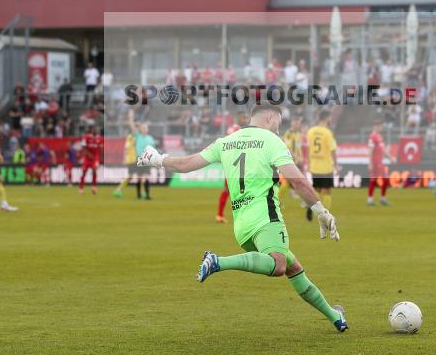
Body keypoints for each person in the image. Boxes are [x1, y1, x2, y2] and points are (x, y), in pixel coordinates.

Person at [135, 103, 347, 332]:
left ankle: (335, 316)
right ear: (268, 118)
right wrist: (321, 211)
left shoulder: (226, 141)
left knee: (293, 268)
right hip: (265, 217)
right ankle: (218, 261)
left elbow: (186, 164)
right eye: (278, 119)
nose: (279, 125)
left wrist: (157, 159)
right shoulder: (271, 140)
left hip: (242, 225)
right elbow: (298, 181)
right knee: (279, 264)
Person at [215, 111, 249, 222]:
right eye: (243, 117)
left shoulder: (237, 129)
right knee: (238, 190)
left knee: (231, 189)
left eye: (246, 118)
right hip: (235, 164)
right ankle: (223, 215)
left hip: (239, 164)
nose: (245, 120)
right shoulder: (236, 129)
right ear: (238, 118)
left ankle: (220, 215)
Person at [306, 110, 337, 221]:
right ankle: (325, 215)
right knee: (327, 190)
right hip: (326, 166)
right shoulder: (327, 132)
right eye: (330, 118)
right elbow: (333, 150)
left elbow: (309, 148)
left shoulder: (311, 131)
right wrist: (336, 165)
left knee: (317, 190)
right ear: (326, 118)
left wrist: (308, 163)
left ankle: (310, 206)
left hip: (315, 166)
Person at [280, 115, 305, 201]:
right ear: (292, 123)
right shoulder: (289, 134)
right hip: (292, 161)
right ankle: (276, 199)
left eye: (299, 123)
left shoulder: (298, 134)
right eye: (296, 123)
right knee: (293, 181)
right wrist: (296, 157)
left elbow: (298, 147)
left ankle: (277, 199)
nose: (298, 125)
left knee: (293, 182)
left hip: (298, 161)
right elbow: (288, 148)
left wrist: (301, 158)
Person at [367, 119, 391, 206]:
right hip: (375, 162)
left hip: (379, 162)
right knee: (375, 180)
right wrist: (370, 163)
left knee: (382, 179)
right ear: (376, 126)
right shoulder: (373, 137)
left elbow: (383, 149)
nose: (380, 127)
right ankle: (373, 199)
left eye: (381, 126)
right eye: (379, 126)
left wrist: (390, 157)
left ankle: (380, 198)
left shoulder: (379, 136)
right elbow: (370, 150)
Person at [134, 121, 156, 200]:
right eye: (143, 128)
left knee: (147, 177)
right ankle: (139, 194)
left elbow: (153, 149)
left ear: (148, 130)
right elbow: (132, 127)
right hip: (139, 159)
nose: (144, 129)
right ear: (140, 129)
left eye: (146, 128)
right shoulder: (137, 136)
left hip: (147, 159)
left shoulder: (150, 138)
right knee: (139, 178)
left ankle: (147, 194)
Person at [113, 130, 138, 198]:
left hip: (132, 159)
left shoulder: (133, 137)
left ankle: (118, 190)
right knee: (137, 175)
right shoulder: (130, 137)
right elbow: (127, 148)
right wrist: (124, 158)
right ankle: (118, 190)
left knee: (131, 176)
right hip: (131, 159)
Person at [79, 125, 102, 195]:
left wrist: (98, 158)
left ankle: (94, 188)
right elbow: (83, 147)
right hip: (87, 158)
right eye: (94, 129)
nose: (96, 131)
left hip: (95, 158)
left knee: (94, 171)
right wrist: (88, 154)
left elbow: (100, 148)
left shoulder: (99, 138)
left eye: (96, 129)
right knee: (84, 172)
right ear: (91, 130)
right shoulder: (86, 137)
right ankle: (81, 188)